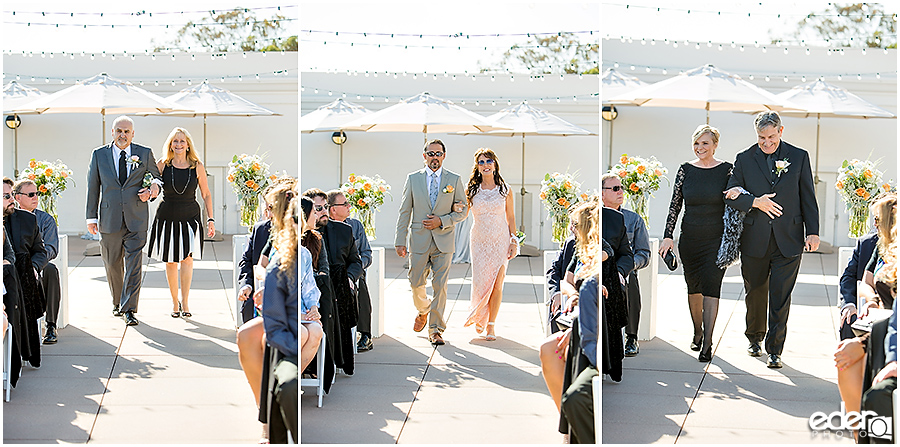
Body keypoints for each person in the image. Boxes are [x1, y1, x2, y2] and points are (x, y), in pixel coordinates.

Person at [723, 111, 820, 368]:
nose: (766, 143)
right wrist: (755, 202)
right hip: (754, 238)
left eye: (771, 137)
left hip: (789, 238)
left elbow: (807, 196)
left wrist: (813, 231)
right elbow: (730, 194)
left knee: (780, 295)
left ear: (781, 131)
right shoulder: (744, 159)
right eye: (761, 138)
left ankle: (775, 349)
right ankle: (754, 337)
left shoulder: (799, 157)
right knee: (755, 292)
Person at [660, 125, 733, 362]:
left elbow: (734, 204)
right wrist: (668, 235)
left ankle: (708, 342)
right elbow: (675, 205)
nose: (700, 147)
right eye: (697, 143)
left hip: (716, 239)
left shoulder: (727, 170)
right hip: (690, 239)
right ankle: (698, 330)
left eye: (705, 143)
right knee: (694, 289)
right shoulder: (685, 170)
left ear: (715, 145)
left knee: (712, 287)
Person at [86, 116, 162, 326]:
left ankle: (129, 309)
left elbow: (156, 178)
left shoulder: (144, 153)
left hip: (136, 218)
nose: (123, 135)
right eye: (119, 131)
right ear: (112, 132)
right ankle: (118, 300)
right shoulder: (99, 154)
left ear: (133, 134)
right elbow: (93, 186)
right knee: (111, 263)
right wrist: (91, 217)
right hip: (109, 218)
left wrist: (152, 191)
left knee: (133, 264)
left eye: (127, 131)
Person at [394, 139, 468, 346]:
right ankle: (423, 309)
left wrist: (442, 221)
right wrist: (400, 240)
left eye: (438, 153)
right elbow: (404, 211)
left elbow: (463, 210)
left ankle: (436, 329)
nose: (434, 157)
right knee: (415, 282)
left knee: (440, 286)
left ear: (444, 155)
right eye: (430, 153)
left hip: (444, 240)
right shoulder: (413, 179)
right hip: (418, 239)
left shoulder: (454, 179)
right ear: (424, 155)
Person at [147, 127, 215, 318]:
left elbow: (206, 194)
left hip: (190, 217)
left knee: (187, 259)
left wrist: (210, 219)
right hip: (167, 216)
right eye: (175, 141)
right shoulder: (162, 164)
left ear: (188, 145)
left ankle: (185, 302)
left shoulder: (197, 166)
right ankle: (174, 302)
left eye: (182, 141)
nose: (178, 145)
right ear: (170, 144)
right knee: (170, 261)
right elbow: (153, 187)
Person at [305, 187, 362, 374]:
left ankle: (338, 357)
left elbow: (356, 261)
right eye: (317, 208)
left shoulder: (344, 231)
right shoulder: (303, 237)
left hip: (340, 288)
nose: (322, 212)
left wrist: (349, 278)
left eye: (324, 207)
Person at [463, 149, 517, 341]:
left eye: (489, 161)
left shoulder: (505, 189)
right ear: (477, 167)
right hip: (478, 241)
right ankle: (479, 316)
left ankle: (491, 325)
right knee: (481, 282)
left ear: (495, 164)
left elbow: (510, 217)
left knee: (497, 283)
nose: (485, 165)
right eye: (481, 162)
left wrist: (513, 241)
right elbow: (463, 213)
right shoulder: (471, 190)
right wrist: (454, 208)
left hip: (500, 240)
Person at [262, 185, 299, 444]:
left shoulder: (311, 259)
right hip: (291, 350)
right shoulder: (281, 266)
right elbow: (274, 327)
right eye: (295, 220)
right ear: (291, 221)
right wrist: (298, 347)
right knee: (288, 386)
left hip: (316, 339)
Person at [601, 173, 650, 356]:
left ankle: (631, 337)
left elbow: (644, 253)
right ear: (603, 193)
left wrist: (628, 268)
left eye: (621, 187)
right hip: (599, 267)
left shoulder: (634, 219)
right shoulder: (595, 217)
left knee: (631, 279)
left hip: (624, 268)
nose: (620, 191)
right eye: (615, 188)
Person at [3, 177, 48, 367]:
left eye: (12, 194)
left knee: (50, 272)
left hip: (23, 281)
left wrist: (34, 267)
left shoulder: (28, 220)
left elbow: (41, 251)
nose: (12, 199)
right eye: (6, 196)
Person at [13, 179, 61, 344]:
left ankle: (51, 325)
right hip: (13, 264)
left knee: (51, 270)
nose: (36, 197)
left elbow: (51, 248)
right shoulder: (9, 218)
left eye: (37, 194)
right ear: (17, 197)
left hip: (38, 265)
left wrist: (34, 265)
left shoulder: (46, 220)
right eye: (31, 194)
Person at [326, 189, 374, 352]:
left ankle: (365, 334)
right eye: (345, 204)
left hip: (355, 271)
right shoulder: (324, 227)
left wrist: (357, 268)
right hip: (333, 273)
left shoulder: (356, 225)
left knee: (359, 281)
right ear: (333, 209)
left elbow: (367, 253)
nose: (349, 206)